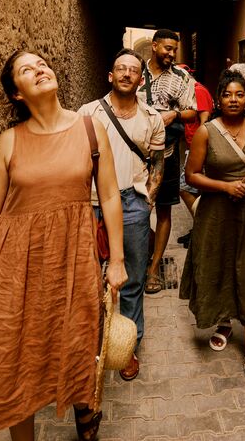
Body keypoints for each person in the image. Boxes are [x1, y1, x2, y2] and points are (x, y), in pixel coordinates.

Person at [0, 51, 128, 441]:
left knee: (76, 343)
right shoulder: (9, 141)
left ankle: (86, 421)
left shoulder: (90, 129)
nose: (40, 69)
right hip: (12, 266)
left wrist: (116, 260)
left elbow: (110, 196)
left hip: (72, 260)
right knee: (15, 357)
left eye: (41, 63)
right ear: (17, 94)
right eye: (27, 70)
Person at [180, 70, 245, 382]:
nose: (233, 100)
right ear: (218, 100)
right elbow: (191, 176)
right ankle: (223, 321)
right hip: (217, 212)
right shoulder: (206, 133)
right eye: (227, 95)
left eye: (239, 94)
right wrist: (225, 188)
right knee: (218, 266)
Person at [78, 49, 165, 382]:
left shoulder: (151, 118)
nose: (127, 74)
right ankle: (89, 345)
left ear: (141, 80)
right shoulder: (87, 113)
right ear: (110, 76)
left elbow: (158, 163)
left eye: (133, 70)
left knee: (131, 280)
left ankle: (127, 346)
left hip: (131, 203)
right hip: (90, 202)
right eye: (121, 69)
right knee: (87, 278)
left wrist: (148, 201)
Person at [138, 29, 196, 293]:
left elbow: (193, 111)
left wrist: (173, 115)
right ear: (154, 46)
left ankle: (153, 269)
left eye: (174, 49)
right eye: (167, 48)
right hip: (136, 154)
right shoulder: (134, 71)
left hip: (168, 152)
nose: (171, 54)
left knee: (163, 209)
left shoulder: (182, 77)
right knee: (136, 209)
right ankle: (137, 258)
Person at [175, 63, 213, 247]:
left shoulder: (198, 90)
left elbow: (205, 121)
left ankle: (204, 225)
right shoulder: (189, 92)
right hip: (192, 146)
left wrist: (201, 147)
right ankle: (200, 227)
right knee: (195, 189)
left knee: (184, 186)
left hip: (199, 149)